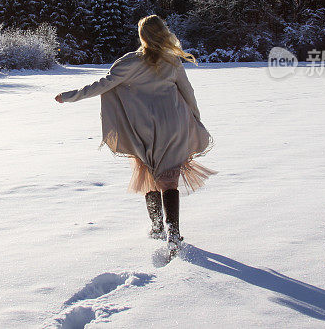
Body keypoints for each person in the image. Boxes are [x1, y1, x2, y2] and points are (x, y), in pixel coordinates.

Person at [55, 15, 216, 256]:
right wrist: (195, 119)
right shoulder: (172, 61)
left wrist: (70, 96)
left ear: (142, 36)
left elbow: (102, 85)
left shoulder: (129, 62)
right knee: (169, 179)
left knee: (148, 173)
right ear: (163, 34)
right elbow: (188, 93)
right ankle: (173, 234)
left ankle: (157, 227)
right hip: (174, 124)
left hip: (142, 127)